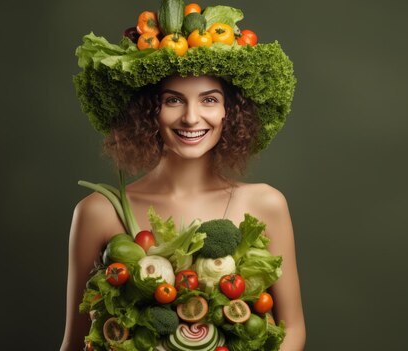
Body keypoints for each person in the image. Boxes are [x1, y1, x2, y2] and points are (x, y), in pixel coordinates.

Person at [61, 3, 305, 350]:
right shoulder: (97, 212)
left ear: (229, 112)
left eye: (209, 99)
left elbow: (293, 330)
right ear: (148, 111)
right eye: (173, 100)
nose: (192, 118)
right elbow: (75, 342)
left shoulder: (266, 204)